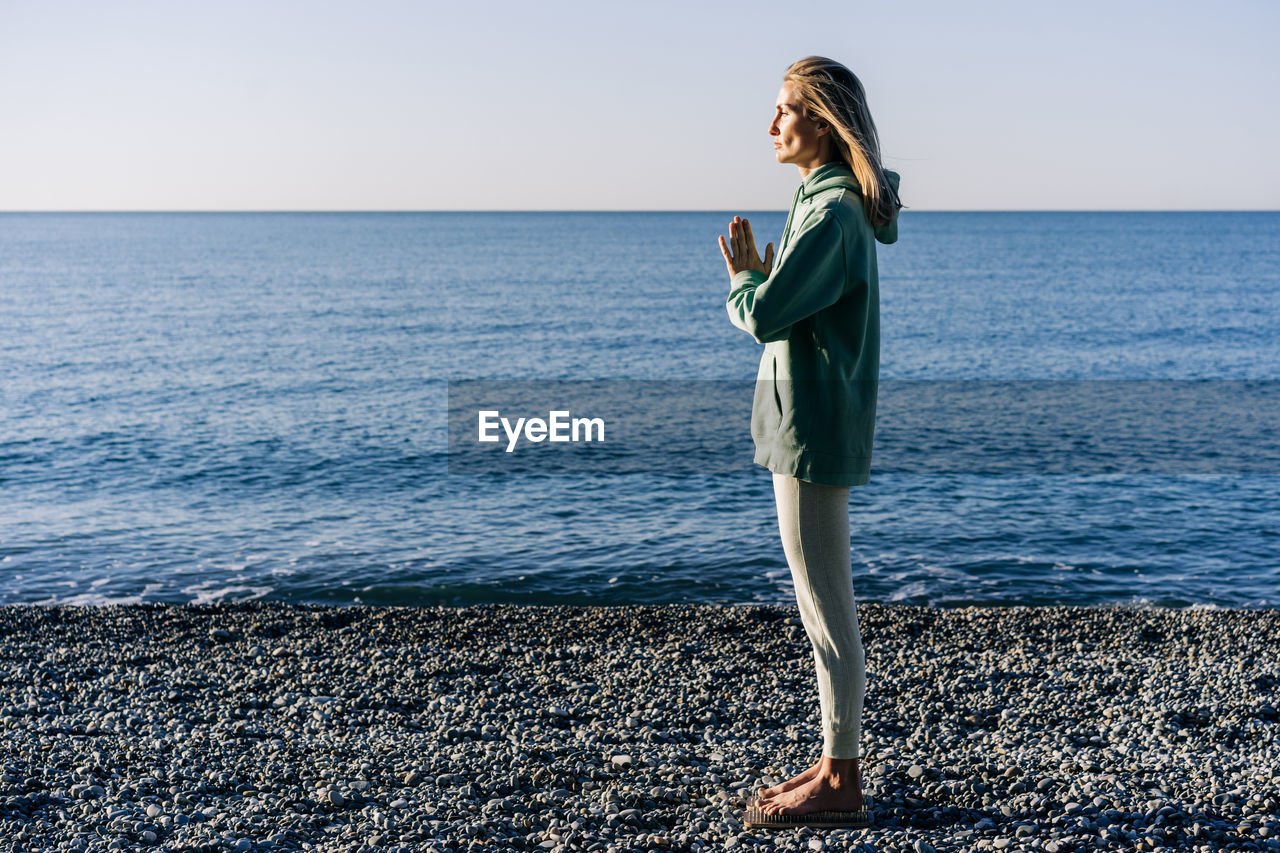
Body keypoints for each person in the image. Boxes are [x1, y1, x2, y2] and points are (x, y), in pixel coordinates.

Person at [718, 56, 901, 828]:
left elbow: (764, 316)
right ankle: (833, 760)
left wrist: (743, 282)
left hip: (813, 427)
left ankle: (842, 780)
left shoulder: (829, 214)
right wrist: (766, 279)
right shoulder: (820, 201)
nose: (771, 124)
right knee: (817, 601)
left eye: (785, 110)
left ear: (821, 122)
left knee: (827, 607)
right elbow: (790, 309)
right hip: (809, 422)